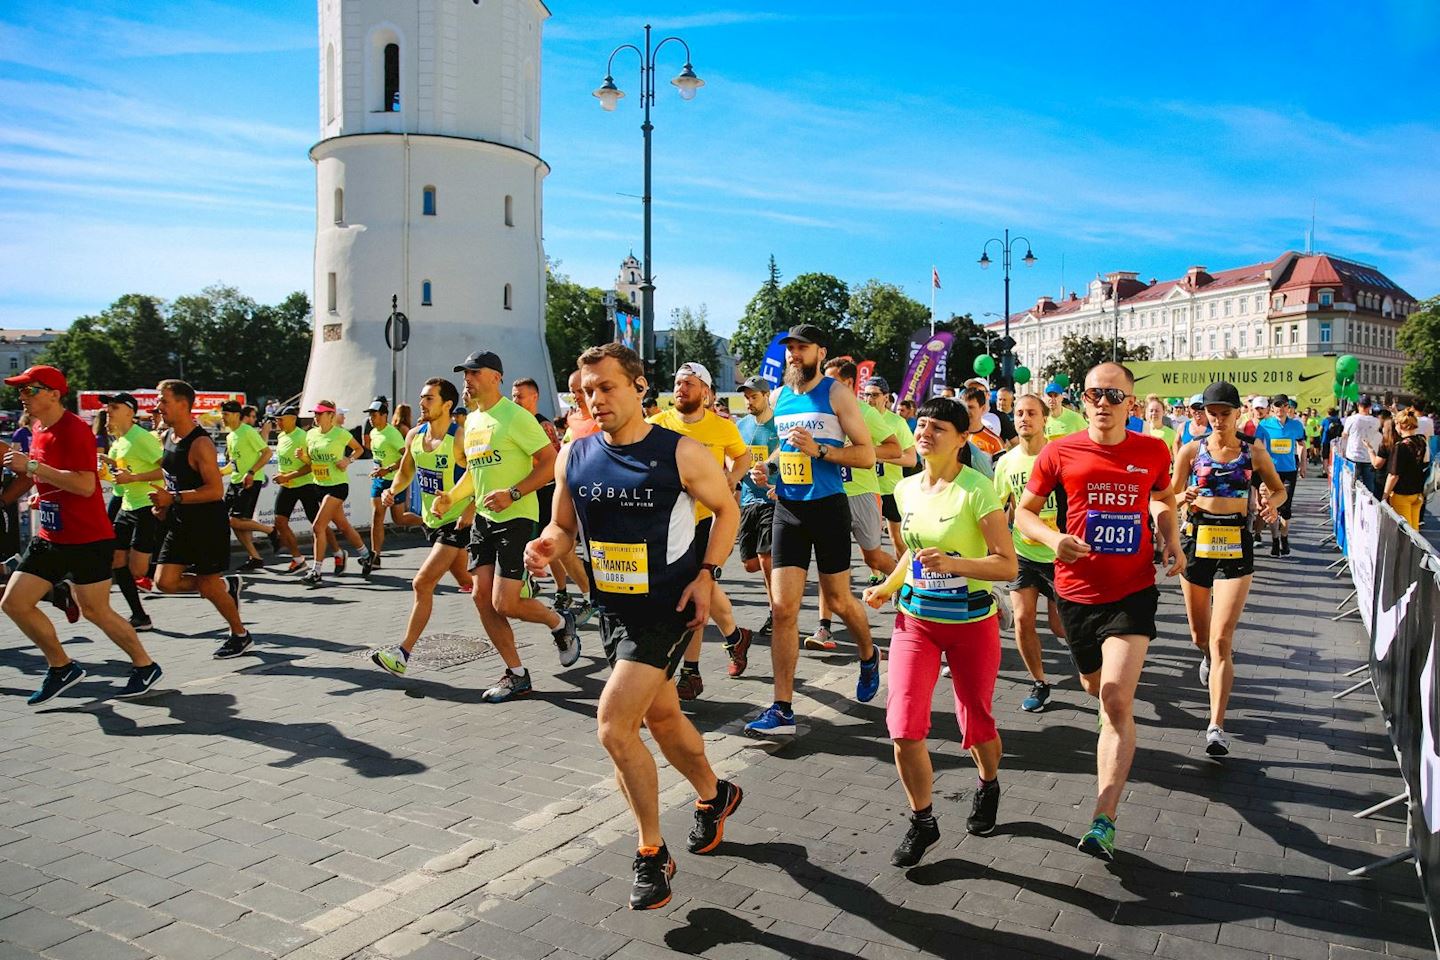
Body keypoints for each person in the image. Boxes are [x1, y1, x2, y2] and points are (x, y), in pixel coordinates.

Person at [524, 342, 742, 911]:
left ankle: (652, 853)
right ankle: (714, 795)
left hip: (666, 607)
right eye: (586, 391)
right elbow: (562, 526)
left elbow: (727, 511)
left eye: (606, 387)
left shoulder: (682, 453)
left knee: (614, 727)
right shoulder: (574, 454)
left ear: (639, 387)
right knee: (664, 717)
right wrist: (547, 545)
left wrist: (708, 575)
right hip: (612, 609)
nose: (595, 400)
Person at [1015, 361, 1182, 861]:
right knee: (1093, 686)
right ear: (1082, 400)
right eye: (1094, 395)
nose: (1103, 403)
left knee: (1113, 697)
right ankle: (1116, 733)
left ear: (1131, 403)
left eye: (1113, 395)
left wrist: (1171, 539)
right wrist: (1052, 538)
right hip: (1075, 593)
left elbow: (1162, 497)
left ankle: (1102, 818)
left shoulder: (1152, 450)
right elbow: (1023, 513)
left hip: (1132, 591)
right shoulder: (1058, 451)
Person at [862, 396, 1016, 866]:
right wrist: (889, 586)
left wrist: (956, 563)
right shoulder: (906, 490)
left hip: (971, 624)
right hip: (915, 623)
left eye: (938, 428)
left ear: (962, 438)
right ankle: (922, 820)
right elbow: (914, 550)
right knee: (904, 728)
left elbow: (1005, 563)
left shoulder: (977, 491)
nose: (925, 433)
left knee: (976, 724)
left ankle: (988, 782)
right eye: (921, 425)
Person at [380, 351, 582, 701]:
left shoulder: (515, 417)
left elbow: (551, 463)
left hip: (517, 517)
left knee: (505, 603)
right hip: (484, 521)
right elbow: (476, 475)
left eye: (474, 373)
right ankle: (516, 673)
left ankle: (560, 623)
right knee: (479, 596)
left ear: (495, 377)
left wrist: (513, 492)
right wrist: (453, 497)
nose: (467, 378)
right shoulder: (471, 421)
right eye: (464, 373)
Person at [745, 325, 881, 737]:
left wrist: (820, 450)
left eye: (802, 348)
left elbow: (866, 453)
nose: (793, 355)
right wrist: (767, 466)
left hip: (828, 508)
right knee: (784, 609)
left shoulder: (836, 393)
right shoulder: (780, 396)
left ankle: (869, 652)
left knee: (839, 601)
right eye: (789, 349)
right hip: (787, 508)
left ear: (820, 352)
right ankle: (782, 708)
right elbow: (784, 446)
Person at [0, 366, 163, 704]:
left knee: (96, 611)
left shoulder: (75, 431)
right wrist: (32, 491)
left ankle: (145, 665)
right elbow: (42, 472)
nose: (22, 397)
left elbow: (84, 484)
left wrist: (32, 468)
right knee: (14, 602)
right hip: (50, 536)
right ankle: (61, 667)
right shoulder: (38, 427)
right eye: (22, 390)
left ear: (53, 394)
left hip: (87, 539)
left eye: (29, 390)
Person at [1173, 381, 1286, 757]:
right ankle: (1205, 656)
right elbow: (1167, 495)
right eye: (1212, 413)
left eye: (1225, 413)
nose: (1218, 420)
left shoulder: (1254, 453)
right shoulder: (1191, 451)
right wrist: (1182, 497)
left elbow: (1278, 488)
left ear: (1238, 413)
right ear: (1203, 414)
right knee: (1199, 636)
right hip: (1197, 542)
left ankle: (1215, 727)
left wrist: (1273, 506)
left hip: (1237, 543)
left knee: (1223, 640)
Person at [647, 361, 753, 700]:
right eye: (678, 382)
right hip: (667, 523)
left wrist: (732, 477)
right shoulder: (658, 424)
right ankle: (735, 637)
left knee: (694, 591)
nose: (681, 388)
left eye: (690, 383)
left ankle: (690, 672)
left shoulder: (721, 427)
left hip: (708, 519)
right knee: (696, 591)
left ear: (705, 392)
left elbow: (743, 456)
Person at [371, 378, 478, 675]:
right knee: (471, 583)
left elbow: (481, 476)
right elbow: (406, 471)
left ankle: (402, 653)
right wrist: (392, 491)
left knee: (422, 582)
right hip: (432, 522)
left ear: (447, 404)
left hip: (456, 522)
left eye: (429, 398)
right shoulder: (415, 435)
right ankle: (533, 602)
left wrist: (470, 507)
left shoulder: (460, 437)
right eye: (421, 397)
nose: (422, 403)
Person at [147, 380, 252, 658]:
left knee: (207, 584)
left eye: (164, 401)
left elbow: (215, 490)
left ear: (183, 404)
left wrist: (175, 498)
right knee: (165, 582)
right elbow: (173, 480)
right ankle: (225, 587)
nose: (159, 407)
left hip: (206, 523)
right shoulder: (169, 436)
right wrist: (165, 505)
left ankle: (240, 634)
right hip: (179, 520)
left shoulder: (201, 443)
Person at [808, 358, 899, 650]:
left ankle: (905, 578)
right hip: (828, 493)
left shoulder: (865, 412)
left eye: (831, 380)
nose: (824, 385)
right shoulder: (818, 411)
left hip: (862, 493)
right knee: (828, 563)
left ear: (848, 383)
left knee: (873, 558)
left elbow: (895, 449)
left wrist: (857, 450)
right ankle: (824, 629)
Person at [992, 394, 1067, 713]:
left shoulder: (1060, 456)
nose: (1024, 418)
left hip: (1060, 553)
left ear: (1044, 419)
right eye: (1019, 413)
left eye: (1031, 413)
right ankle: (1040, 682)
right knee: (1022, 620)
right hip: (1023, 552)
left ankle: (1097, 666)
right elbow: (998, 509)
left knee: (1060, 626)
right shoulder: (1007, 462)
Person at [512, 376, 593, 623]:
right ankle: (584, 597)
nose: (576, 396)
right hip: (563, 493)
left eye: (520, 396)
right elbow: (564, 458)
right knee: (558, 547)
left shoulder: (543, 425)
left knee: (590, 554)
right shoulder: (573, 420)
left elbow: (551, 460)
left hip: (569, 493)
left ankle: (588, 597)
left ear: (534, 397)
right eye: (573, 391)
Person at [99, 393, 162, 630]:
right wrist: (105, 469)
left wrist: (133, 477)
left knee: (138, 570)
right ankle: (140, 616)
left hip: (147, 505)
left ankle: (218, 585)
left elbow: (165, 470)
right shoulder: (118, 441)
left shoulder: (141, 438)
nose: (109, 411)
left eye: (114, 407)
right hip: (127, 506)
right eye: (107, 408)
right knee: (116, 560)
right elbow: (118, 481)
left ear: (129, 411)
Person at [300, 402, 371, 586]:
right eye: (315, 413)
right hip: (319, 485)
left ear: (331, 416)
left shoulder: (340, 434)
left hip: (337, 486)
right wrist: (302, 458)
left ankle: (315, 571)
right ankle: (366, 554)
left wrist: (348, 460)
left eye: (320, 414)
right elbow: (311, 461)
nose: (316, 417)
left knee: (318, 527)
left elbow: (360, 449)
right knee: (343, 526)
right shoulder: (311, 434)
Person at [733, 376, 779, 650]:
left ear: (766, 395)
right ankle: (781, 596)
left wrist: (776, 482)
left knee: (765, 558)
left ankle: (777, 612)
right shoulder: (741, 425)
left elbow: (787, 456)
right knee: (750, 564)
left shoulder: (778, 426)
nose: (749, 402)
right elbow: (735, 457)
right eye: (746, 397)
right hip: (748, 500)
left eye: (754, 397)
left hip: (772, 500)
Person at [864, 376, 918, 571]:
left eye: (875, 395)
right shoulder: (858, 419)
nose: (870, 399)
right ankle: (876, 575)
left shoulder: (897, 422)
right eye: (866, 394)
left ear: (886, 397)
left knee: (898, 540)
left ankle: (905, 578)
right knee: (870, 540)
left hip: (891, 489)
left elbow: (911, 459)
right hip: (867, 488)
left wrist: (882, 456)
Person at [218, 400, 276, 572]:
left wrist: (251, 472)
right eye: (222, 415)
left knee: (234, 520)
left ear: (236, 415)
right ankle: (255, 558)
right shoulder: (230, 436)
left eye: (226, 415)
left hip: (251, 481)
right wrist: (218, 472)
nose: (223, 419)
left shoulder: (248, 431)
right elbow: (234, 464)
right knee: (233, 522)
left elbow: (267, 453)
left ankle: (271, 531)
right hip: (235, 482)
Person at [270, 405, 324, 573]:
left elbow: (310, 467)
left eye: (280, 419)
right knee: (280, 522)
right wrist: (283, 476)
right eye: (276, 420)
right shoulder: (281, 436)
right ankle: (298, 560)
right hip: (288, 486)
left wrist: (287, 476)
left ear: (293, 419)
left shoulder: (303, 437)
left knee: (318, 524)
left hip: (305, 485)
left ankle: (338, 552)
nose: (277, 422)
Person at [364, 397, 414, 573]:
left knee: (398, 519)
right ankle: (375, 555)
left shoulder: (392, 434)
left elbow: (407, 457)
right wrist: (380, 469)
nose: (371, 418)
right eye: (370, 415)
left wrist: (389, 469)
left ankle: (426, 522)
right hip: (379, 480)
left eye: (374, 415)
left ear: (384, 415)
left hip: (394, 480)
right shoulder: (373, 433)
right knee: (377, 515)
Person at [1256, 394, 1307, 557]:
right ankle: (1275, 539)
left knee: (1286, 508)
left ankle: (1284, 538)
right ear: (1272, 408)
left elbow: (1301, 445)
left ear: (1288, 407)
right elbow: (1256, 446)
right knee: (1272, 505)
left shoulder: (1296, 425)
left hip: (1290, 470)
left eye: (1283, 405)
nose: (1280, 409)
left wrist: (1303, 465)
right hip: (1271, 471)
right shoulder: (1265, 425)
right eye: (1277, 406)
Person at [1385, 410, 1428, 530]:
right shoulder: (1422, 441)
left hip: (1402, 493)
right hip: (1417, 493)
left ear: (1399, 425)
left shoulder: (1400, 446)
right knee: (1414, 531)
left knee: (1405, 532)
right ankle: (1416, 549)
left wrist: (1385, 496)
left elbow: (1394, 475)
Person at [1365, 410, 1397, 500]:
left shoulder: (1385, 445)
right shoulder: (1402, 443)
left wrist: (1370, 450)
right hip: (1398, 484)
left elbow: (1377, 464)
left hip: (1383, 480)